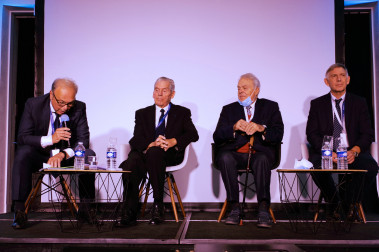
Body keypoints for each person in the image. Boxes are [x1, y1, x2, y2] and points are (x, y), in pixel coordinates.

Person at [11, 78, 95, 229]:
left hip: (65, 157)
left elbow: (83, 140)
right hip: (41, 156)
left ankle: (86, 211)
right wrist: (51, 138)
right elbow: (23, 137)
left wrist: (63, 154)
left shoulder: (79, 107)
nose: (65, 108)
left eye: (70, 103)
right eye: (61, 102)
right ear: (51, 95)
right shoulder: (33, 104)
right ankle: (19, 212)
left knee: (88, 153)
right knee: (23, 152)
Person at [117, 77, 199, 226]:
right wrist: (151, 144)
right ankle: (129, 211)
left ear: (172, 94)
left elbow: (193, 135)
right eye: (156, 90)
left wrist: (173, 141)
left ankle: (158, 206)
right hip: (146, 152)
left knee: (155, 153)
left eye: (164, 90)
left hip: (168, 155)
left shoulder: (182, 112)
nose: (159, 94)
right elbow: (135, 139)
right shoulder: (142, 113)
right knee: (131, 162)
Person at [306, 63, 379, 216]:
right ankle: (334, 202)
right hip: (327, 151)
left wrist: (355, 151)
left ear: (348, 80)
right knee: (315, 165)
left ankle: (350, 203)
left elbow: (367, 133)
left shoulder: (359, 103)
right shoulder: (317, 104)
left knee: (371, 167)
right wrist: (327, 152)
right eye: (334, 76)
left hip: (351, 150)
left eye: (342, 76)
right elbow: (311, 134)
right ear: (327, 82)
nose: (339, 79)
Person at [213, 73, 284, 228]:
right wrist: (233, 127)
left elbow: (278, 134)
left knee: (263, 159)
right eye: (238, 88)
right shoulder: (229, 109)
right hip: (235, 153)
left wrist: (262, 128)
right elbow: (217, 136)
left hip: (259, 153)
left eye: (245, 88)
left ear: (256, 90)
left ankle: (264, 209)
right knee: (224, 157)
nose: (241, 91)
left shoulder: (270, 107)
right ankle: (234, 208)